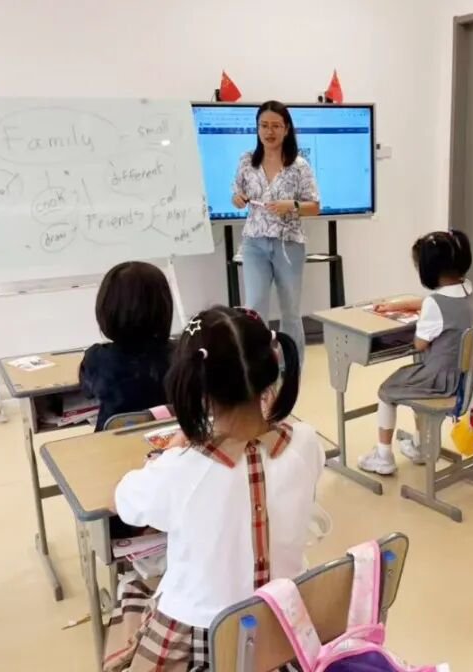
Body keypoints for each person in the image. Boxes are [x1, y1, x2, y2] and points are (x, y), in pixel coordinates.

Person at [106, 306, 324, 672]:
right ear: (270, 369)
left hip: (200, 638)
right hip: (285, 627)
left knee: (133, 586)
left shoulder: (181, 469)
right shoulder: (307, 441)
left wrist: (172, 451)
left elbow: (124, 501)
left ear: (196, 385)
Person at [358, 231, 473, 475]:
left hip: (440, 381)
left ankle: (383, 456)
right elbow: (433, 303)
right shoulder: (467, 289)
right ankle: (421, 446)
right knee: (413, 375)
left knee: (386, 391)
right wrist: (395, 306)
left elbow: (420, 344)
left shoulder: (435, 304)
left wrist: (421, 321)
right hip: (467, 378)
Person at [233, 101, 321, 363]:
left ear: (286, 129)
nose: (269, 132)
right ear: (257, 128)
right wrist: (238, 199)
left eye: (275, 126)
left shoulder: (299, 165)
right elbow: (237, 195)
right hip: (254, 243)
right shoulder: (247, 160)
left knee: (290, 312)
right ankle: (258, 367)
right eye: (264, 125)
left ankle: (292, 367)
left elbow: (315, 206)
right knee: (254, 308)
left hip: (288, 245)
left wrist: (291, 205)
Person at [81, 261, 174, 431]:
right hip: (172, 441)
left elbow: (87, 392)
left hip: (113, 444)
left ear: (106, 309)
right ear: (165, 307)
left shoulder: (97, 358)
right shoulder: (182, 354)